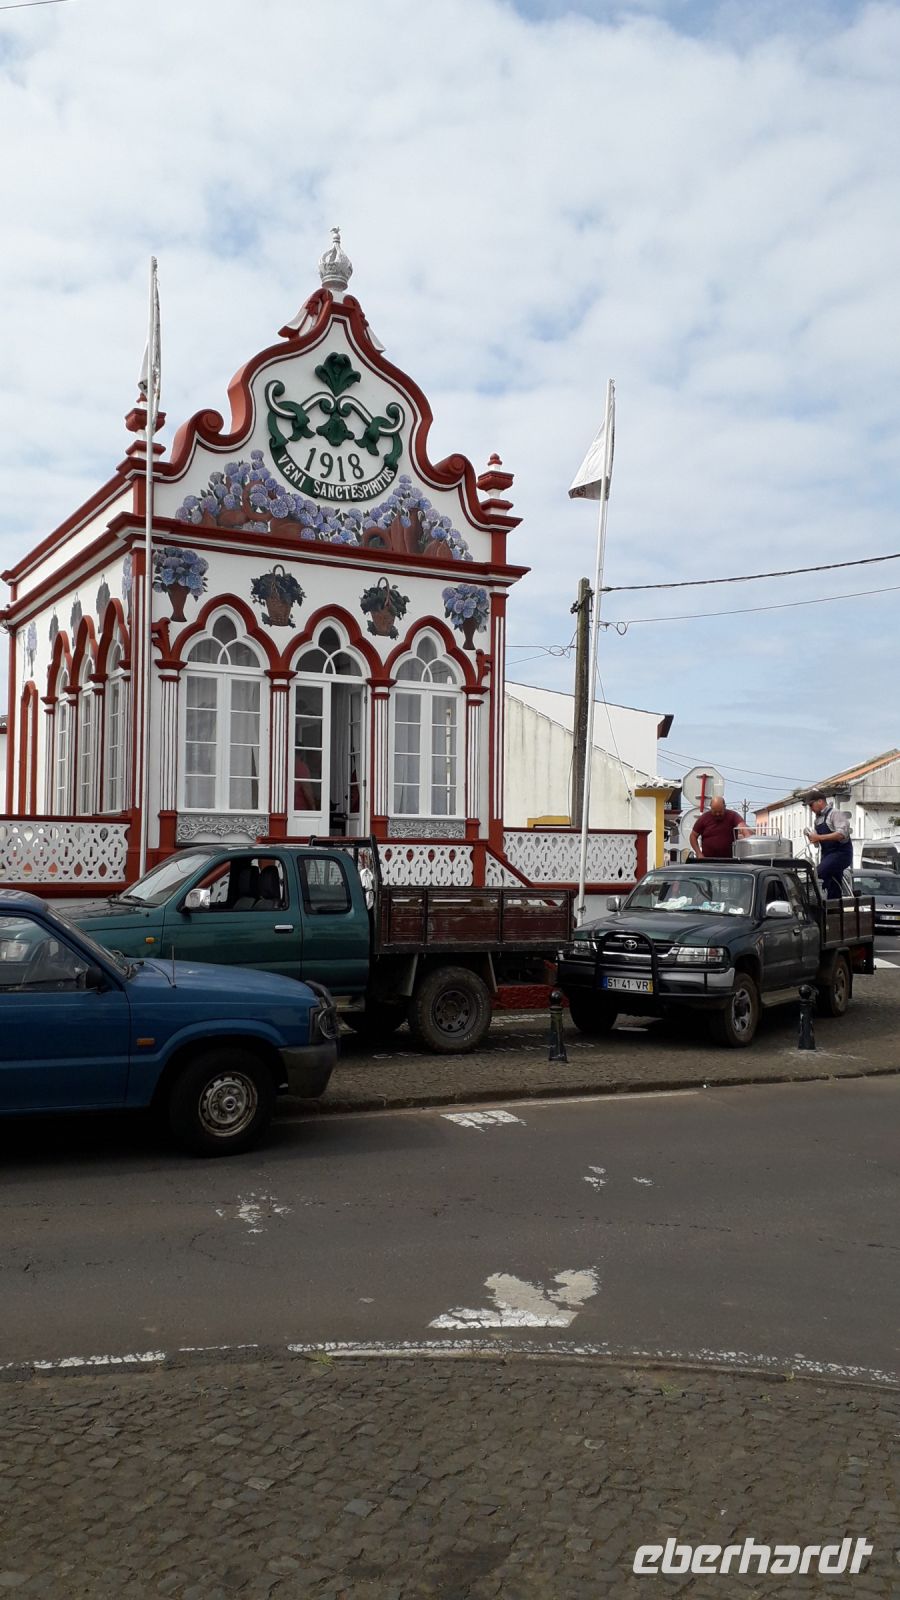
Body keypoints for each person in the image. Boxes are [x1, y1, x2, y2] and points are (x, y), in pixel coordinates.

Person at [804, 790, 853, 900]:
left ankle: (814, 900)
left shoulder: (835, 814)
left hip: (841, 854)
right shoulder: (817, 820)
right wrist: (812, 838)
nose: (811, 809)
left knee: (818, 874)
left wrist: (818, 837)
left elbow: (841, 834)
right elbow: (817, 845)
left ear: (820, 801)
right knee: (832, 883)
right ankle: (833, 907)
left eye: (811, 805)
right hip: (827, 855)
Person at [689, 795, 752, 861]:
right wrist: (698, 853)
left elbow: (742, 826)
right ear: (711, 808)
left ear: (724, 807)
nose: (717, 814)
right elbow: (693, 836)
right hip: (707, 861)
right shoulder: (704, 818)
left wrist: (747, 836)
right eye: (715, 812)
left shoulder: (733, 816)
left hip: (729, 861)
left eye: (720, 812)